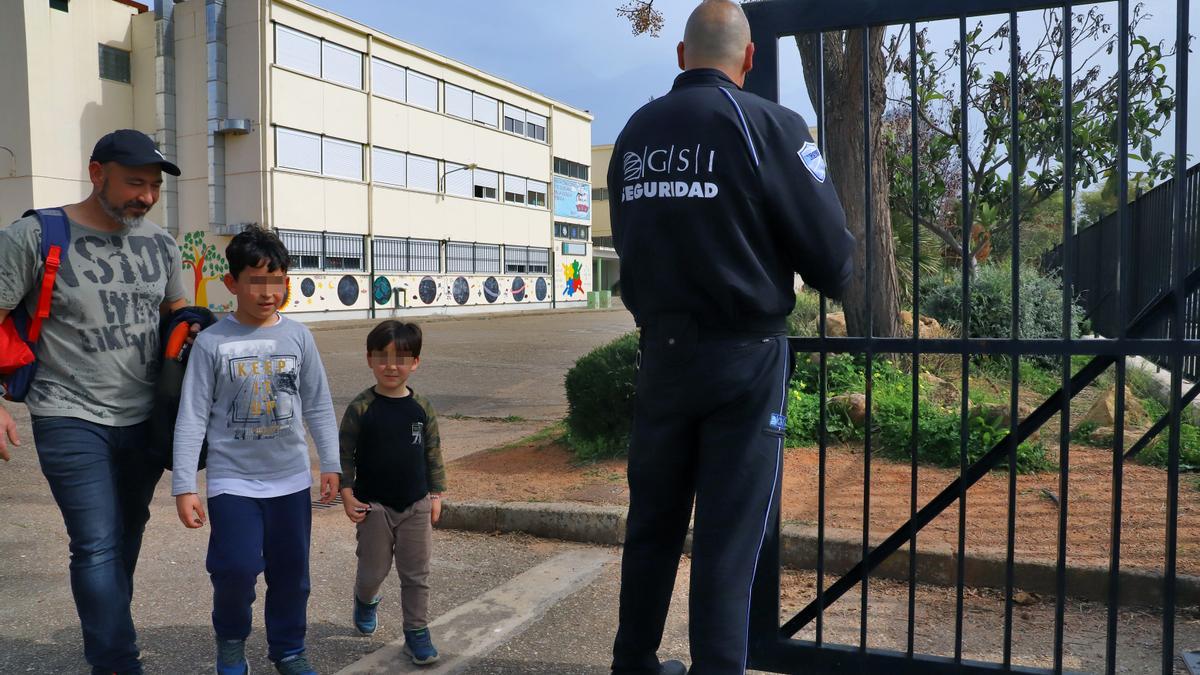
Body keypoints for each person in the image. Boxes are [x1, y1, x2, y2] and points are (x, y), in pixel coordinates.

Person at [606, 2, 856, 673]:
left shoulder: (635, 133)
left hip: (660, 354)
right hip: (743, 360)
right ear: (748, 59)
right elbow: (834, 264)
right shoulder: (772, 126)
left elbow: (631, 239)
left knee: (652, 526)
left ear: (682, 56)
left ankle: (632, 662)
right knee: (728, 538)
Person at [0, 129, 188, 674]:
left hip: (145, 419)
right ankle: (116, 661)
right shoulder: (34, 237)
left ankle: (109, 635)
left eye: (154, 186)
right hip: (68, 413)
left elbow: (177, 317)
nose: (146, 197)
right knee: (97, 544)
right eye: (135, 183)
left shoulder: (161, 245)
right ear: (96, 172)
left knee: (126, 538)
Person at [171, 225, 341, 675]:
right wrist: (185, 485)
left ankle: (288, 649)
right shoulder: (212, 342)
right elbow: (191, 416)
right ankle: (230, 641)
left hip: (290, 479)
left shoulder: (299, 337)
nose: (268, 292)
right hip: (233, 480)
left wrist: (331, 463)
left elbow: (319, 404)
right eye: (256, 280)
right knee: (235, 569)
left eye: (277, 279)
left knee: (291, 576)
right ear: (232, 283)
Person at [338, 320, 446, 665]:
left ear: (416, 362)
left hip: (415, 504)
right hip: (374, 507)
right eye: (382, 357)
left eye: (401, 358)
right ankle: (365, 600)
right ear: (369, 359)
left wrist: (436, 494)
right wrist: (346, 491)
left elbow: (433, 452)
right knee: (373, 571)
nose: (391, 366)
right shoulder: (361, 407)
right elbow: (344, 455)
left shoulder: (422, 408)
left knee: (417, 574)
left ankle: (417, 633)